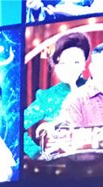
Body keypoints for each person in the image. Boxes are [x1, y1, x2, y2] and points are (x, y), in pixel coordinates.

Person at [23, 31, 90, 159]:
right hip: (62, 165)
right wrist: (37, 154)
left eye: (76, 62)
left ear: (84, 64)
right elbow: (17, 126)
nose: (69, 68)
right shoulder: (48, 97)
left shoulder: (96, 89)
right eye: (63, 63)